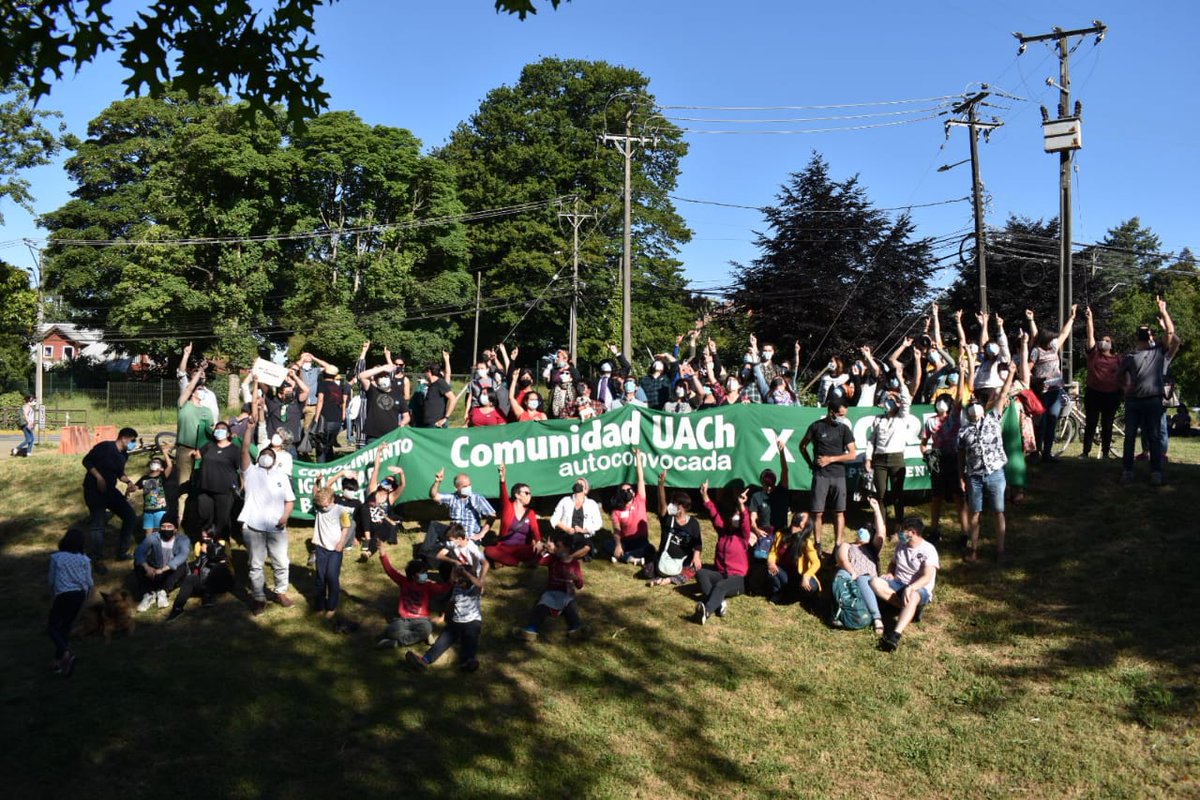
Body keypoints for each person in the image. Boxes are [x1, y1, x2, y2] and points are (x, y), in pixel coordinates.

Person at [238, 408, 296, 615]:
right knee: (256, 564)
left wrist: (285, 516)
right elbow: (244, 450)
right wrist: (248, 430)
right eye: (263, 454)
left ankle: (280, 592)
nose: (266, 457)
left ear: (275, 459)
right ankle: (258, 597)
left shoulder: (281, 475)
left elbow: (290, 500)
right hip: (253, 527)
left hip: (276, 526)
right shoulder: (251, 471)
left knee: (281, 561)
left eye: (270, 455)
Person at [958, 361, 1017, 563]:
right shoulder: (963, 431)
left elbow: (1002, 395)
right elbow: (961, 455)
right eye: (971, 405)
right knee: (975, 513)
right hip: (974, 475)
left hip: (995, 473)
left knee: (998, 511)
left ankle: (1000, 550)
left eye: (977, 404)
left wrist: (1010, 374)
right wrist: (961, 476)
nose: (974, 407)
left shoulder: (993, 418)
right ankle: (973, 550)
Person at [1119, 296, 1181, 486]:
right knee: (1147, 438)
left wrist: (1125, 387)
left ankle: (1136, 471)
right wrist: (1163, 310)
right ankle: (1149, 472)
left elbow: (1119, 376)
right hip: (1143, 401)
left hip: (1143, 401)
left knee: (1135, 437)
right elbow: (1171, 332)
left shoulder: (1147, 354)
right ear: (1147, 338)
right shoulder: (1147, 354)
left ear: (1137, 338)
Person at [406, 540, 486, 673]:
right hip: (456, 622)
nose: (459, 581)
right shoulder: (457, 589)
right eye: (459, 579)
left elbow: (479, 585)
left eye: (462, 579)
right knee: (442, 641)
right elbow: (451, 603)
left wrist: (466, 574)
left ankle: (469, 661)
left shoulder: (474, 590)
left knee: (470, 639)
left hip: (473, 622)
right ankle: (424, 660)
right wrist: (444, 617)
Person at [865, 338, 915, 531]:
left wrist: (901, 381)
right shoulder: (878, 419)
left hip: (896, 458)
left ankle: (899, 525)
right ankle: (882, 525)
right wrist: (868, 458)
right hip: (879, 459)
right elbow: (871, 440)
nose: (889, 402)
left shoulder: (902, 417)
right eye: (887, 399)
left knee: (897, 494)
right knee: (881, 494)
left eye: (893, 400)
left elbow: (906, 399)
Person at [871, 516, 939, 652]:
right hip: (897, 583)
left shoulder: (928, 550)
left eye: (903, 530)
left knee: (912, 596)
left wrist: (911, 587)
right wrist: (890, 573)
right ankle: (908, 610)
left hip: (918, 589)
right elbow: (893, 563)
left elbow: (927, 577)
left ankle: (895, 635)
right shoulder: (901, 546)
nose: (900, 533)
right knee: (874, 582)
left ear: (912, 533)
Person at [799, 398, 857, 549]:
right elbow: (802, 446)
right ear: (831, 412)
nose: (842, 417)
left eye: (844, 415)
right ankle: (818, 543)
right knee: (817, 512)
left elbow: (852, 454)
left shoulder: (844, 429)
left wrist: (831, 459)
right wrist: (810, 463)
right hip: (821, 475)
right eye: (840, 414)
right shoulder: (816, 427)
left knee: (839, 512)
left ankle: (838, 545)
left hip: (838, 475)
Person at [81, 426, 140, 573]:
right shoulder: (105, 447)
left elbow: (120, 473)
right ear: (124, 438)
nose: (134, 444)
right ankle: (97, 559)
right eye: (133, 441)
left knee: (130, 516)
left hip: (109, 491)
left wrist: (128, 482)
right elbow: (86, 461)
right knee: (98, 524)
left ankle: (122, 552)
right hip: (93, 490)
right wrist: (98, 477)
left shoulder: (124, 455)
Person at [694, 481, 751, 624]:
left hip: (738, 578)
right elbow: (713, 514)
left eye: (739, 515)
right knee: (701, 573)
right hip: (721, 574)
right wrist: (704, 495)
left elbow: (745, 521)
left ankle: (706, 611)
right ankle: (719, 603)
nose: (737, 518)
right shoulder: (723, 532)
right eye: (735, 515)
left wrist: (741, 505)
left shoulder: (743, 536)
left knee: (720, 587)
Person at [513, 530, 587, 641]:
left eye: (558, 546)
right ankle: (531, 629)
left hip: (567, 594)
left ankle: (576, 628)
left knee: (571, 608)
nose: (555, 549)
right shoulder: (552, 560)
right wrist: (543, 550)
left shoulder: (574, 564)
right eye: (555, 546)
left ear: (567, 548)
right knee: (541, 608)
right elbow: (539, 562)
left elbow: (580, 585)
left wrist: (576, 579)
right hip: (551, 593)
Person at [1026, 304, 1076, 463]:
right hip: (1043, 392)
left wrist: (1072, 318)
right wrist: (1035, 381)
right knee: (1041, 423)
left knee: (1052, 421)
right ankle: (1036, 453)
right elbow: (1027, 370)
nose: (1054, 340)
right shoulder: (1036, 351)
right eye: (1051, 338)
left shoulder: (1053, 347)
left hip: (1056, 391)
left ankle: (1047, 453)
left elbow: (1064, 333)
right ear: (1045, 339)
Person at [377, 545, 449, 648]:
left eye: (425, 572)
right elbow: (390, 570)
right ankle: (421, 636)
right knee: (391, 631)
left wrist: (453, 579)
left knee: (426, 628)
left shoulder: (428, 586)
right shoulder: (403, 582)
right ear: (413, 575)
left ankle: (397, 643)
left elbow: (444, 589)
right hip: (403, 620)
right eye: (422, 572)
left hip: (422, 620)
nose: (425, 575)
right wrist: (382, 552)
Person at [834, 495, 887, 635]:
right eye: (862, 528)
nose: (863, 531)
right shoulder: (847, 545)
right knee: (841, 576)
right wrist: (852, 572)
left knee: (864, 578)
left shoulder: (872, 549)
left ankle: (877, 618)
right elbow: (842, 560)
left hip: (866, 579)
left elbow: (881, 533)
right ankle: (838, 612)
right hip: (849, 574)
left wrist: (876, 509)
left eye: (867, 530)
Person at [920, 383, 965, 540]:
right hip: (937, 460)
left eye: (944, 401)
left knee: (958, 496)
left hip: (954, 459)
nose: (941, 404)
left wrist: (961, 371)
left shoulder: (955, 417)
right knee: (936, 496)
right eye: (939, 400)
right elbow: (923, 443)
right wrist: (927, 456)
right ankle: (934, 530)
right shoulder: (930, 422)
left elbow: (960, 396)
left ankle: (965, 532)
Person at [645, 470, 703, 587]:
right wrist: (661, 485)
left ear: (682, 507)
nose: (671, 505)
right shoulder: (668, 519)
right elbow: (662, 505)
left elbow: (698, 544)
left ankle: (667, 580)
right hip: (664, 558)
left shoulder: (693, 524)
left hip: (681, 562)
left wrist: (696, 556)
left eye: (675, 503)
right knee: (647, 571)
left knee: (695, 568)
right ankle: (666, 576)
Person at [165, 525, 234, 621]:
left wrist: (209, 551)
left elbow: (224, 561)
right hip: (204, 579)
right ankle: (177, 608)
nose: (205, 540)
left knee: (218, 567)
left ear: (214, 535)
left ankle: (207, 596)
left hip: (220, 581)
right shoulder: (198, 545)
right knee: (190, 578)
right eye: (203, 537)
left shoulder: (222, 544)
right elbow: (198, 565)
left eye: (208, 537)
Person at [47, 527, 92, 676]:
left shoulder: (57, 558)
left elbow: (51, 579)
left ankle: (66, 654)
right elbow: (88, 581)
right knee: (65, 627)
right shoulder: (84, 559)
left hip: (63, 595)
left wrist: (53, 593)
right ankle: (59, 663)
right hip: (79, 595)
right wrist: (85, 597)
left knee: (52, 627)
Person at [189, 420, 240, 541]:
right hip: (205, 488)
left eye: (222, 428)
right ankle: (205, 544)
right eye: (217, 428)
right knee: (204, 514)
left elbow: (239, 468)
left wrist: (242, 484)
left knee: (222, 519)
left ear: (228, 433)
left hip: (224, 490)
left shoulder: (234, 449)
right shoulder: (209, 445)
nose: (219, 430)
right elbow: (198, 455)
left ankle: (222, 547)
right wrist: (193, 454)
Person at [1080, 307, 1121, 459]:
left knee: (1107, 425)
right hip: (1093, 393)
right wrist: (1090, 318)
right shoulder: (1093, 354)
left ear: (1112, 345)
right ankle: (1085, 452)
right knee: (1090, 423)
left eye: (1107, 341)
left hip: (1111, 396)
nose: (1103, 342)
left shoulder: (1118, 359)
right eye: (1102, 340)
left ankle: (1105, 453)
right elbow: (1090, 334)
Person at [602, 446, 651, 565]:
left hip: (640, 540)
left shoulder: (640, 500)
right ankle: (629, 557)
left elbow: (640, 479)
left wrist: (638, 458)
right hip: (625, 541)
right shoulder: (616, 512)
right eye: (624, 491)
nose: (627, 492)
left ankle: (623, 556)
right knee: (607, 544)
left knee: (650, 550)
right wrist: (618, 545)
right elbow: (617, 530)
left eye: (629, 489)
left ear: (634, 492)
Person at [486, 463, 541, 567]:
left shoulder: (530, 512)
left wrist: (538, 541)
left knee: (539, 550)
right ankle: (518, 563)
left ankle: (504, 561)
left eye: (530, 493)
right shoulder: (508, 507)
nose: (530, 495)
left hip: (523, 548)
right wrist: (502, 479)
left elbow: (535, 529)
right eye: (526, 493)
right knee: (488, 550)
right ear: (517, 495)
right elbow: (503, 494)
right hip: (505, 548)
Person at [133, 516, 191, 613]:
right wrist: (147, 568)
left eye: (169, 526)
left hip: (170, 572)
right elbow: (139, 551)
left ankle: (163, 591)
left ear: (175, 529)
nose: (166, 529)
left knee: (181, 565)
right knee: (138, 563)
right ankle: (149, 594)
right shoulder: (154, 537)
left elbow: (182, 555)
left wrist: (163, 569)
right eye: (163, 526)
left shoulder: (183, 539)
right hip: (154, 571)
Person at [310, 486, 351, 619]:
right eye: (321, 505)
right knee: (320, 578)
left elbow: (346, 527)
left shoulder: (340, 510)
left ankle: (332, 606)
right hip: (321, 547)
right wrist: (317, 481)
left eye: (326, 505)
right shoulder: (318, 508)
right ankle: (319, 605)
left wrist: (341, 543)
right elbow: (315, 492)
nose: (323, 508)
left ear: (332, 499)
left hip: (335, 549)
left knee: (332, 577)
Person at [429, 468, 497, 545]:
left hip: (470, 537)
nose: (468, 488)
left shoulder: (477, 498)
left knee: (456, 552)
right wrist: (437, 482)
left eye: (469, 485)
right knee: (434, 525)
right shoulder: (452, 498)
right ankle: (425, 553)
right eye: (465, 486)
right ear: (456, 487)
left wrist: (481, 534)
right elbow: (434, 496)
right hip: (454, 535)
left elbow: (492, 515)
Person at [360, 449, 404, 559]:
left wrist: (401, 473)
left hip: (380, 524)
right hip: (367, 523)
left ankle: (368, 553)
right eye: (385, 480)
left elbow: (403, 486)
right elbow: (376, 470)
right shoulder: (373, 489)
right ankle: (367, 539)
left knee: (384, 528)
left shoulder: (391, 496)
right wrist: (379, 452)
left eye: (389, 482)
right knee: (365, 508)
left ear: (392, 487)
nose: (386, 482)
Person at [748, 439, 789, 544]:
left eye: (771, 485)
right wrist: (756, 530)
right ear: (762, 483)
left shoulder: (781, 491)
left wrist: (782, 452)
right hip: (763, 531)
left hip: (780, 532)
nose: (769, 488)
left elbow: (785, 470)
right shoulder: (756, 496)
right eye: (766, 485)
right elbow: (752, 519)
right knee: (750, 539)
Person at [550, 476, 602, 558]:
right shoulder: (565, 501)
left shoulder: (592, 504)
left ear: (586, 490)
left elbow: (598, 523)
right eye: (576, 483)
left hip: (583, 535)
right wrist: (566, 529)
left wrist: (584, 530)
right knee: (560, 543)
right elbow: (554, 519)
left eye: (581, 484)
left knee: (586, 547)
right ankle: (565, 553)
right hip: (565, 533)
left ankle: (569, 557)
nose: (578, 485)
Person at [357, 362, 410, 443]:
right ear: (376, 379)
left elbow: (406, 415)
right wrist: (381, 368)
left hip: (392, 436)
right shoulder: (372, 391)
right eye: (380, 376)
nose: (383, 378)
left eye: (385, 375)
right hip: (373, 436)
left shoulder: (398, 395)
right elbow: (361, 376)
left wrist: (402, 423)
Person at [131, 450, 173, 539]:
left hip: (160, 509)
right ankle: (148, 549)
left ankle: (157, 549)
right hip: (147, 510)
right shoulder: (144, 478)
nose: (154, 463)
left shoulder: (162, 477)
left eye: (157, 462)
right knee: (148, 532)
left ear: (161, 468)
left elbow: (169, 466)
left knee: (157, 531)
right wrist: (130, 487)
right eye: (153, 461)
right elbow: (135, 487)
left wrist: (165, 452)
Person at [313, 364, 347, 462]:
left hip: (325, 419)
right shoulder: (337, 387)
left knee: (320, 447)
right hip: (336, 420)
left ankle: (321, 468)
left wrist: (316, 417)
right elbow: (341, 403)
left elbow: (320, 400)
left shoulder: (322, 384)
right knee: (329, 446)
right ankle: (330, 467)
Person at [419, 362, 456, 428]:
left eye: (425, 372)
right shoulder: (432, 384)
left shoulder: (440, 383)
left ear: (429, 372)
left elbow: (453, 399)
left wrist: (446, 418)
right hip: (427, 423)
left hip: (437, 424)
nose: (425, 374)